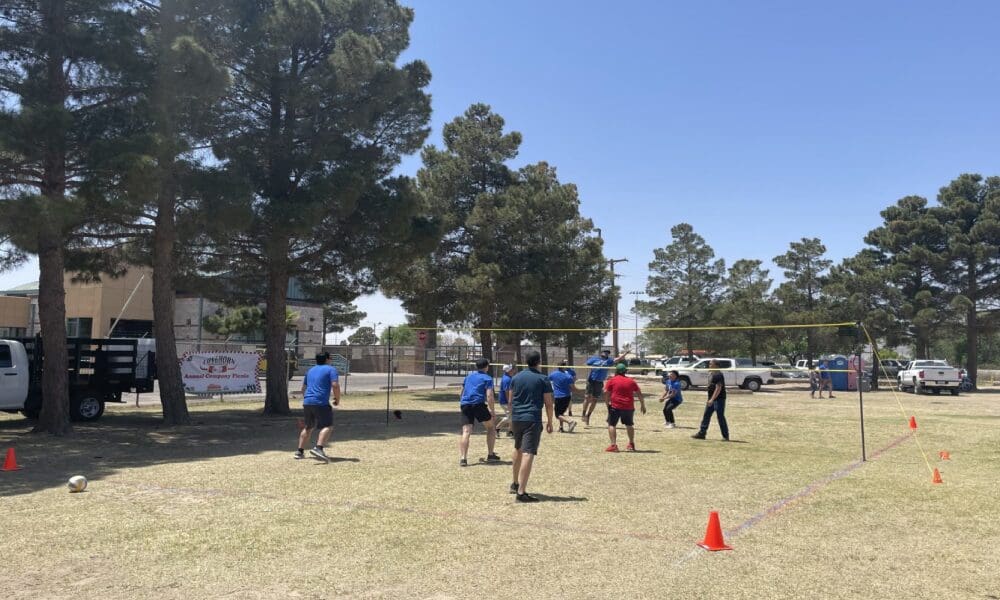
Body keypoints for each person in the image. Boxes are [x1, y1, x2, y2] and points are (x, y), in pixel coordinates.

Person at [509, 351, 554, 503]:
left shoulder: (515, 377)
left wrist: (511, 417)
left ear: (525, 361)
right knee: (528, 453)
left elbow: (511, 400)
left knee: (517, 449)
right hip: (532, 418)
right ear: (539, 362)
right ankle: (521, 492)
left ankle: (515, 483)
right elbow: (548, 403)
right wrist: (550, 421)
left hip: (516, 417)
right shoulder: (543, 378)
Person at [295, 352, 341, 462]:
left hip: (307, 401)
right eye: (330, 358)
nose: (331, 360)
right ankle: (318, 448)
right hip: (320, 402)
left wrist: (308, 398)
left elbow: (303, 388)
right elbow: (335, 385)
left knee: (308, 427)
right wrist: (337, 399)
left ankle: (299, 452)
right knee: (328, 426)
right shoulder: (331, 369)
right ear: (327, 359)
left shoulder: (310, 371)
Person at [459, 357, 499, 467]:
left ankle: (463, 458)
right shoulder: (487, 378)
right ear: (486, 367)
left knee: (466, 431)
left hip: (465, 404)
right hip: (478, 404)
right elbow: (490, 396)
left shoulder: (468, 377)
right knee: (491, 427)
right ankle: (490, 455)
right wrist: (492, 410)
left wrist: (462, 404)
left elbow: (462, 392)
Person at [603, 362, 646, 451]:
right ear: (625, 371)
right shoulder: (631, 381)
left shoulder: (612, 380)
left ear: (616, 371)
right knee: (629, 424)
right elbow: (639, 393)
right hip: (628, 407)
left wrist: (607, 404)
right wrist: (642, 405)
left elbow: (606, 394)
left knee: (611, 425)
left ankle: (613, 445)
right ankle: (631, 444)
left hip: (615, 406)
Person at [581, 349, 623, 425]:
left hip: (599, 382)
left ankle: (588, 416)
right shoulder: (594, 359)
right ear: (601, 353)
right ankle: (583, 414)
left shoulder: (609, 361)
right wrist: (592, 367)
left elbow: (618, 359)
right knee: (587, 398)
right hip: (591, 380)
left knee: (594, 400)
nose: (606, 353)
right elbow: (585, 364)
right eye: (605, 352)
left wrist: (626, 353)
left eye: (608, 353)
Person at [692, 359, 728, 441]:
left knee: (720, 417)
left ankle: (725, 436)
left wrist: (712, 399)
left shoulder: (718, 375)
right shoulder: (711, 373)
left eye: (711, 364)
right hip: (711, 399)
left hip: (719, 399)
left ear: (716, 365)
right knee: (706, 416)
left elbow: (718, 388)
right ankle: (702, 434)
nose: (709, 365)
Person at [548, 361, 578, 433]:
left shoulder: (553, 374)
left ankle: (570, 422)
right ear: (565, 367)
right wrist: (579, 391)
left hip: (558, 397)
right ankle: (561, 427)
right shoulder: (568, 376)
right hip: (567, 397)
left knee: (557, 415)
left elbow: (546, 380)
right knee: (561, 413)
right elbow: (573, 388)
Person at [495, 364, 515, 437]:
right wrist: (509, 402)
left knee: (510, 415)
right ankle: (497, 428)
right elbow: (507, 391)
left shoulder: (507, 377)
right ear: (509, 371)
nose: (514, 370)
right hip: (505, 401)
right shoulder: (507, 379)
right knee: (510, 417)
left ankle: (510, 431)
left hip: (504, 400)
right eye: (512, 369)